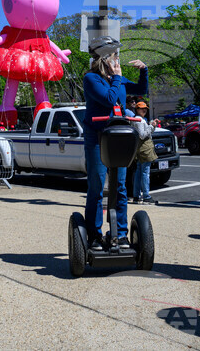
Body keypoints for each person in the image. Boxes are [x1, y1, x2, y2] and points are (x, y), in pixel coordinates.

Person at [81, 36, 148, 248]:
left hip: (118, 135)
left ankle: (120, 234)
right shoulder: (91, 79)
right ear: (104, 58)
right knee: (97, 185)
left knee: (120, 186)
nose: (118, 60)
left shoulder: (117, 79)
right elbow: (109, 99)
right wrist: (117, 78)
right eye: (114, 56)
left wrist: (144, 70)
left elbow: (141, 90)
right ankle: (94, 235)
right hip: (97, 136)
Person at [131, 101, 157, 205]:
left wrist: (152, 126)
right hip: (145, 149)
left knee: (139, 172)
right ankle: (146, 196)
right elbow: (142, 135)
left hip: (139, 149)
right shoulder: (139, 121)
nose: (144, 110)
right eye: (142, 108)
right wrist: (151, 126)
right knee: (145, 173)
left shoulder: (137, 119)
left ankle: (136, 196)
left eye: (145, 108)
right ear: (137, 109)